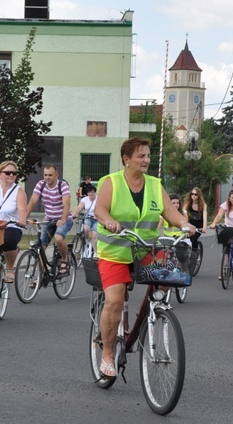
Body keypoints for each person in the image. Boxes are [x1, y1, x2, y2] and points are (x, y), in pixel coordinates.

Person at [94, 137, 196, 379]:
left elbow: (169, 211)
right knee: (115, 302)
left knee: (168, 278)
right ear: (126, 159)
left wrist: (184, 223)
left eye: (148, 156)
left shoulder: (154, 184)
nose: (146, 160)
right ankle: (107, 352)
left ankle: (154, 311)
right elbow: (100, 209)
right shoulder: (111, 182)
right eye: (141, 156)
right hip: (115, 251)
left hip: (146, 250)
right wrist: (108, 221)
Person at [25, 164, 73, 274]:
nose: (47, 177)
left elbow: (67, 204)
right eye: (45, 175)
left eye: (50, 175)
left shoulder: (63, 185)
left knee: (58, 238)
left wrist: (63, 219)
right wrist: (24, 219)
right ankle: (41, 277)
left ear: (56, 175)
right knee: (40, 247)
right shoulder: (41, 185)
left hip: (64, 218)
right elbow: (32, 202)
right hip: (49, 219)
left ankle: (64, 259)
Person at [209, 189, 233, 264]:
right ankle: (224, 270)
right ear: (229, 198)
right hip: (228, 227)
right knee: (225, 248)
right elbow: (219, 215)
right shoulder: (225, 205)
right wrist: (214, 223)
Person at [71, 184, 98, 258]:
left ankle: (95, 252)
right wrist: (74, 214)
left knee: (94, 236)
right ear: (87, 193)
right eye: (89, 192)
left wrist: (98, 216)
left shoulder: (98, 199)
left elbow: (102, 209)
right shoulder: (85, 199)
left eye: (93, 192)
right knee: (86, 228)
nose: (91, 193)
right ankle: (87, 241)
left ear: (95, 192)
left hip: (96, 219)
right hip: (88, 218)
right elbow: (79, 207)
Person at [182, 187, 207, 252]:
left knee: (193, 238)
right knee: (186, 239)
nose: (193, 196)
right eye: (192, 194)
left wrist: (204, 227)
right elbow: (184, 213)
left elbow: (205, 216)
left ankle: (195, 254)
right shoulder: (188, 204)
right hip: (191, 223)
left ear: (199, 195)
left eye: (196, 194)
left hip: (199, 225)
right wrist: (184, 223)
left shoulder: (203, 205)